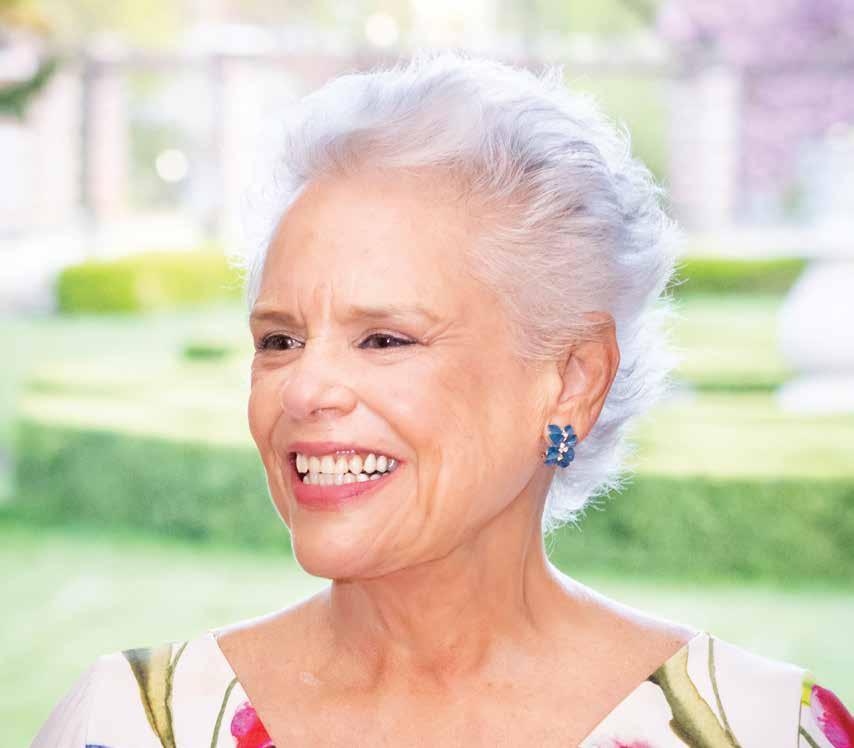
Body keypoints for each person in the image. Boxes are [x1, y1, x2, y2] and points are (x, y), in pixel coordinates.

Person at [32, 50, 851, 747]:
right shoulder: (127, 723)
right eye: (279, 340)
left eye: (385, 339)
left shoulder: (767, 730)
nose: (303, 389)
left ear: (572, 380)